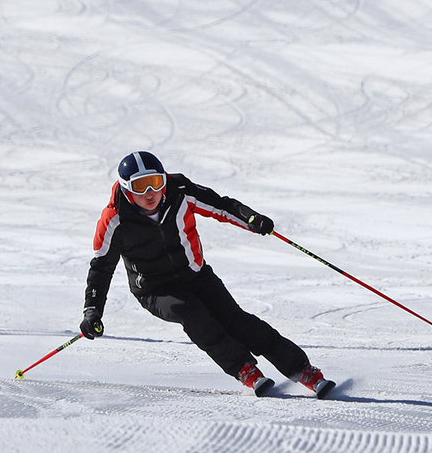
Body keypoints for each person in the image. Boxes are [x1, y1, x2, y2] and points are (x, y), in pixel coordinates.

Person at [80, 151, 334, 398]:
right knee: (190, 312)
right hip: (154, 289)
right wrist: (92, 310)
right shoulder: (114, 219)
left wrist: (251, 218)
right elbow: (101, 267)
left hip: (195, 275)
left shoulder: (179, 191)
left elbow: (220, 206)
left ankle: (302, 370)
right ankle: (243, 368)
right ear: (126, 189)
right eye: (140, 186)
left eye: (155, 182)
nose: (150, 194)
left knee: (237, 321)